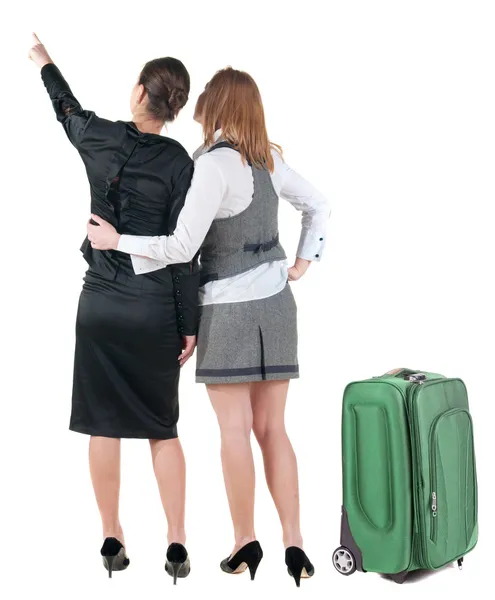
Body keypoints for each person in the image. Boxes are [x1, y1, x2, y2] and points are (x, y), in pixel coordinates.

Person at [87, 66, 330, 587]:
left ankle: (245, 542)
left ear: (214, 107)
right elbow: (320, 204)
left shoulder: (211, 166)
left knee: (234, 433)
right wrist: (302, 263)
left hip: (227, 310)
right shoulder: (271, 160)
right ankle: (296, 544)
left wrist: (117, 242)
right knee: (274, 430)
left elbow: (179, 247)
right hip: (278, 308)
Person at [29, 34, 198, 583]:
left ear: (139, 92)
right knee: (161, 428)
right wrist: (189, 325)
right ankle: (176, 541)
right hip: (154, 312)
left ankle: (111, 533)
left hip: (99, 303)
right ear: (172, 108)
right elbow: (182, 252)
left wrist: (46, 63)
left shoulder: (98, 137)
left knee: (104, 425)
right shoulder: (178, 162)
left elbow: (67, 110)